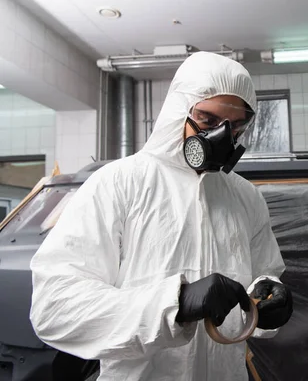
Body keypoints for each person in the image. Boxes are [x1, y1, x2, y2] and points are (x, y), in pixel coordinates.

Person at [29, 52, 293, 381]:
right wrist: (173, 305)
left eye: (236, 126)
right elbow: (55, 308)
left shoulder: (245, 196)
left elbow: (263, 272)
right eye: (209, 121)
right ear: (178, 111)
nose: (223, 137)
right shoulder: (120, 184)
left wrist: (268, 295)